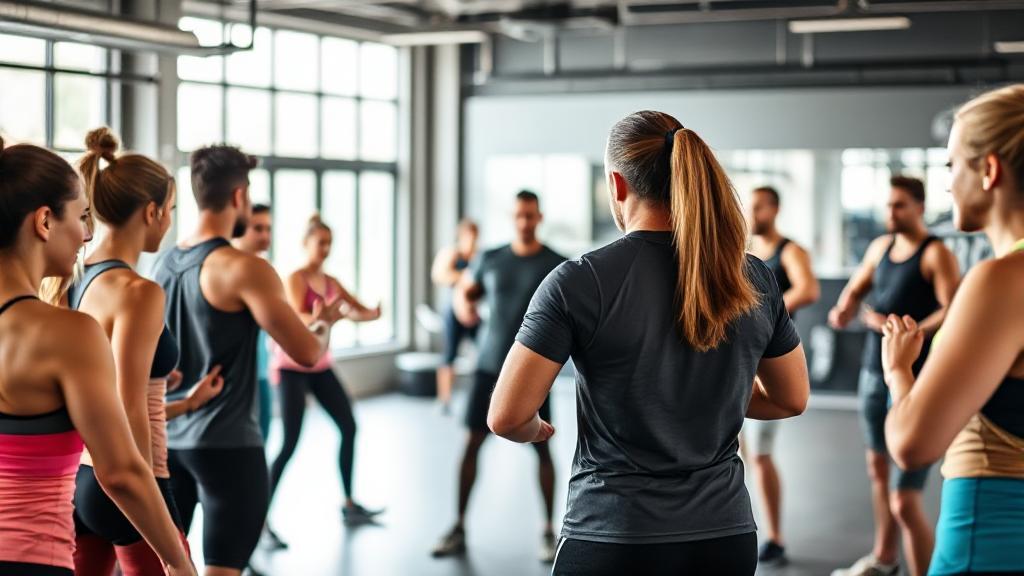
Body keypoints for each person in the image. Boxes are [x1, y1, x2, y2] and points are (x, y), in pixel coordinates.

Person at [487, 111, 810, 576]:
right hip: (724, 538)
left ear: (618, 185)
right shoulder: (752, 274)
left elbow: (507, 416)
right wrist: (714, 395)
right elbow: (791, 397)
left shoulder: (579, 282)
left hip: (614, 536)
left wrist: (534, 430)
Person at [0, 137, 194, 576]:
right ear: (45, 221)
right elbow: (121, 470)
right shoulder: (67, 331)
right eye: (82, 216)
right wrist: (178, 561)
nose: (87, 234)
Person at [152, 145, 345, 576]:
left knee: (170, 568)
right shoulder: (245, 269)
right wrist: (324, 323)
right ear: (239, 196)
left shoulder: (162, 265)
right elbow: (308, 352)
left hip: (167, 444)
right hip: (228, 447)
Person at [68, 128, 226, 576]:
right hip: (132, 482)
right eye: (171, 210)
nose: (171, 221)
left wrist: (174, 388)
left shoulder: (78, 277)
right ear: (152, 212)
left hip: (82, 480)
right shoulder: (139, 291)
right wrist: (151, 499)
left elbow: (101, 382)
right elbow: (128, 408)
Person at [883, 84, 1024, 576]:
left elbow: (911, 443)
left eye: (951, 166)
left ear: (988, 170)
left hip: (988, 542)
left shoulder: (1002, 279)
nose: (946, 185)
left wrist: (899, 369)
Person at [829, 176, 961, 576]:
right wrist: (845, 306)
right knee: (877, 469)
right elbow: (856, 287)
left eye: (900, 205)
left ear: (919, 207)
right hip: (874, 371)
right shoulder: (880, 247)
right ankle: (885, 557)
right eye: (888, 205)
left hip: (914, 376)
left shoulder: (935, 253)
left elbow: (953, 307)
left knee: (905, 498)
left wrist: (912, 329)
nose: (891, 213)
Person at [432, 191, 565, 563]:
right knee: (472, 442)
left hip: (536, 374)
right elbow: (467, 293)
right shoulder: (491, 259)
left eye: (530, 216)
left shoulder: (555, 263)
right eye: (519, 215)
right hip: (490, 365)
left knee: (543, 448)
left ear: (539, 217)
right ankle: (457, 526)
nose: (524, 222)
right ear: (513, 217)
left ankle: (547, 532)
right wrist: (464, 304)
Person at [262, 214, 383, 550]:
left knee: (348, 426)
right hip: (291, 367)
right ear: (306, 244)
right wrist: (322, 318)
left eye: (330, 243)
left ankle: (348, 504)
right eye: (321, 243)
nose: (326, 249)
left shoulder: (330, 280)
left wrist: (372, 314)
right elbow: (297, 318)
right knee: (289, 443)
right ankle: (262, 521)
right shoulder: (295, 278)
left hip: (320, 365)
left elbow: (353, 308)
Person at [743, 185, 820, 566]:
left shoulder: (790, 251)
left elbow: (809, 288)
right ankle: (741, 524)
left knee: (761, 455)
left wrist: (767, 312)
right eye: (750, 206)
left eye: (759, 206)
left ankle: (775, 537)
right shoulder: (746, 253)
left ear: (774, 208)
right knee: (735, 452)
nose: (752, 212)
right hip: (739, 362)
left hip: (770, 364)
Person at [232, 203, 274, 441]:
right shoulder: (228, 270)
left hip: (261, 373)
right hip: (235, 381)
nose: (265, 236)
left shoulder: (264, 271)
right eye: (258, 228)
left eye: (268, 229)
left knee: (263, 440)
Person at [430, 219, 479, 413]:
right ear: (462, 235)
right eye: (469, 236)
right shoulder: (452, 254)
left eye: (475, 236)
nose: (473, 240)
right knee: (449, 355)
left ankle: (484, 396)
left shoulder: (477, 257)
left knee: (484, 352)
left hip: (474, 313)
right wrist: (464, 276)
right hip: (453, 311)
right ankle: (444, 399)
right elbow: (438, 275)